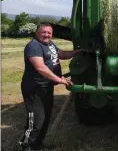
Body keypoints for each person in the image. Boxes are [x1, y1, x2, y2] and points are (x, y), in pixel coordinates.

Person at [19, 22, 89, 151]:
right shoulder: (33, 46)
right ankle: (26, 146)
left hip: (46, 86)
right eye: (43, 32)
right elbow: (40, 68)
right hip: (35, 88)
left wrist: (77, 52)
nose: (46, 35)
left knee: (46, 117)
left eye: (49, 33)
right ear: (37, 32)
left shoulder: (50, 44)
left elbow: (61, 54)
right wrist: (60, 80)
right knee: (35, 120)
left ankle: (37, 144)